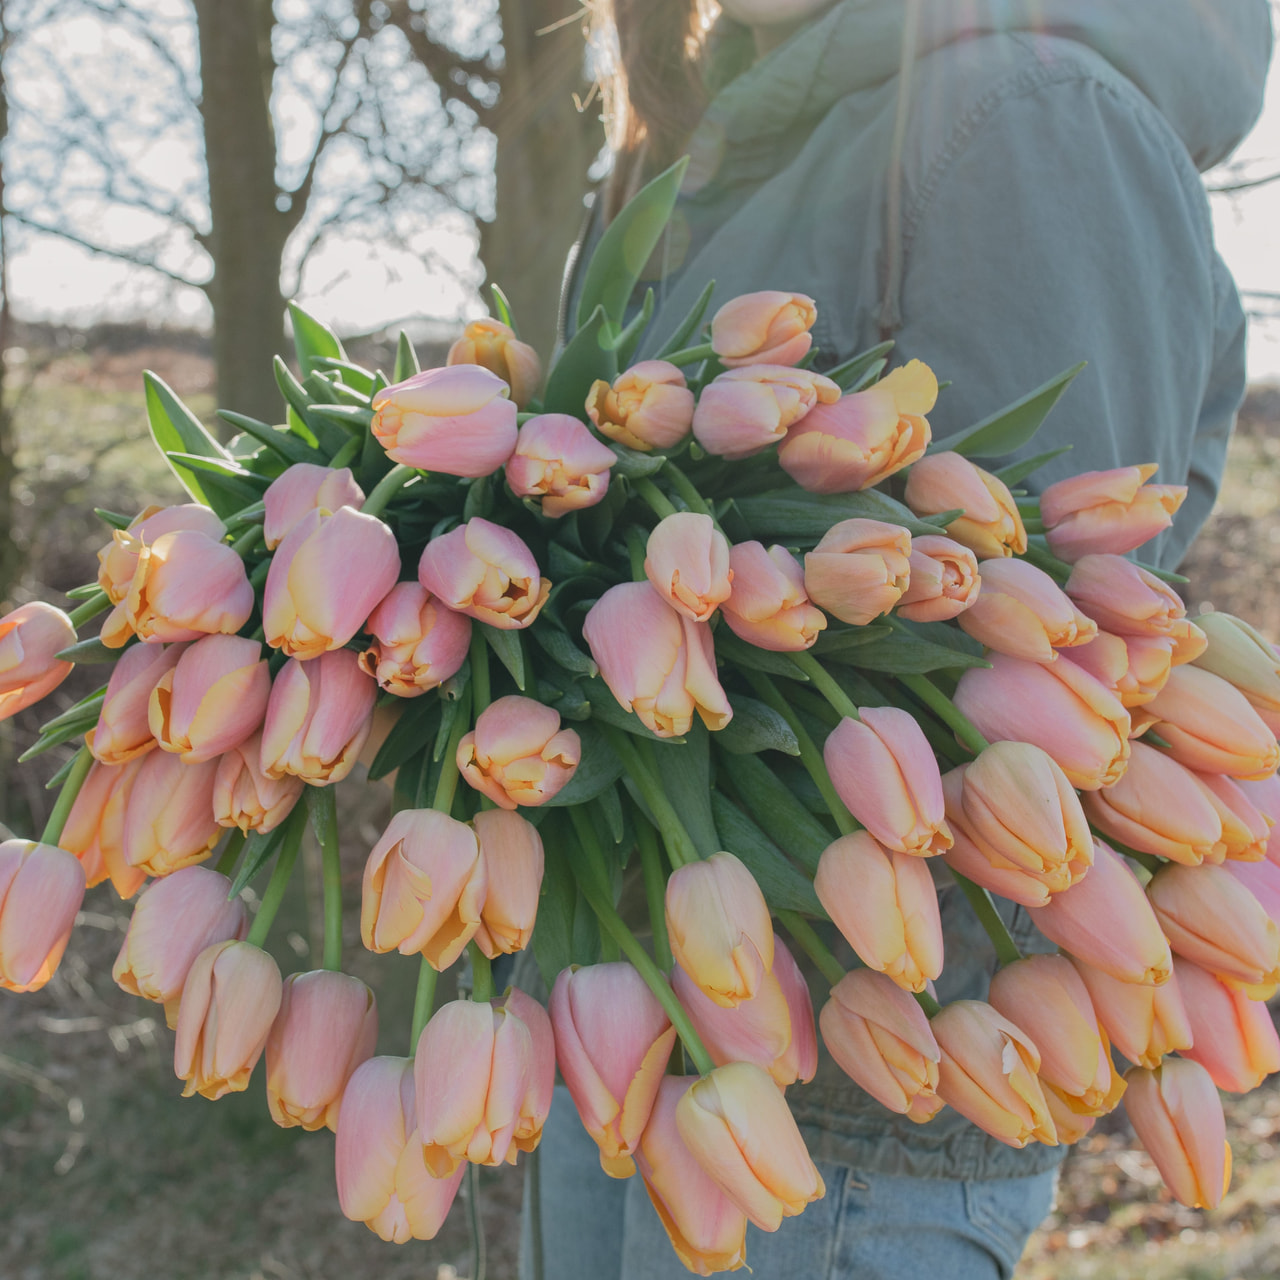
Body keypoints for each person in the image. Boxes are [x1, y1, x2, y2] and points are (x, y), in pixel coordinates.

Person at [520, 3, 1273, 1277]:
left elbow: (1056, 635)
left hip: (859, 1094)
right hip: (619, 1004)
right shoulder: (680, 135)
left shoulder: (1027, 119)